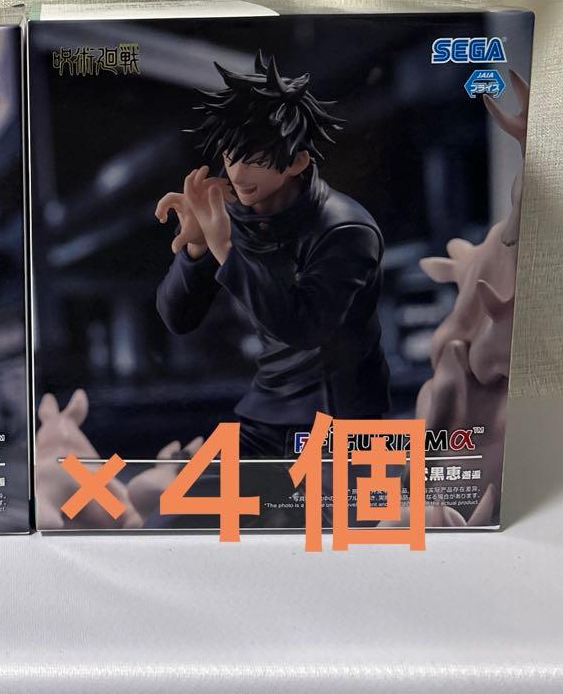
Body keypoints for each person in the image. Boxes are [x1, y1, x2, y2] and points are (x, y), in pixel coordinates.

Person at [155, 51, 390, 460]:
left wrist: (224, 247)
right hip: (266, 415)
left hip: (342, 425)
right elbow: (178, 318)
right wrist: (196, 249)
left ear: (297, 160)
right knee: (179, 494)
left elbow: (303, 327)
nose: (237, 173)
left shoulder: (346, 229)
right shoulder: (235, 214)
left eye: (255, 158)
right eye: (231, 156)